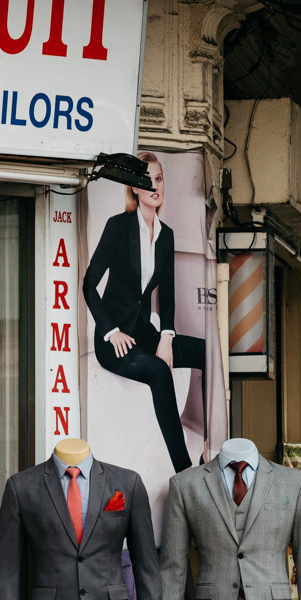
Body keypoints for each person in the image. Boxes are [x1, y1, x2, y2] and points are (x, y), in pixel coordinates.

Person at [82, 151, 207, 472]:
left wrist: (167, 337)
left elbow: (167, 295)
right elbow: (89, 284)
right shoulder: (118, 227)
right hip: (114, 342)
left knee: (205, 353)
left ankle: (209, 445)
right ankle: (185, 471)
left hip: (146, 334)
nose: (154, 186)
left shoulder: (166, 236)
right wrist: (111, 331)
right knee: (158, 372)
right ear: (134, 188)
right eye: (146, 180)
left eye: (159, 179)